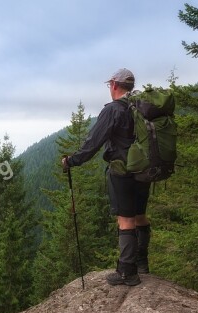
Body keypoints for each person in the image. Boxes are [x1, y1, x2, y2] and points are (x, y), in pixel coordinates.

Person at [61, 68, 151, 287]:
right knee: (140, 215)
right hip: (145, 169)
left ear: (114, 85)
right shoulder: (142, 107)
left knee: (126, 218)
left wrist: (72, 161)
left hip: (123, 171)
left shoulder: (113, 110)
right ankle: (141, 263)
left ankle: (127, 272)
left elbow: (93, 142)